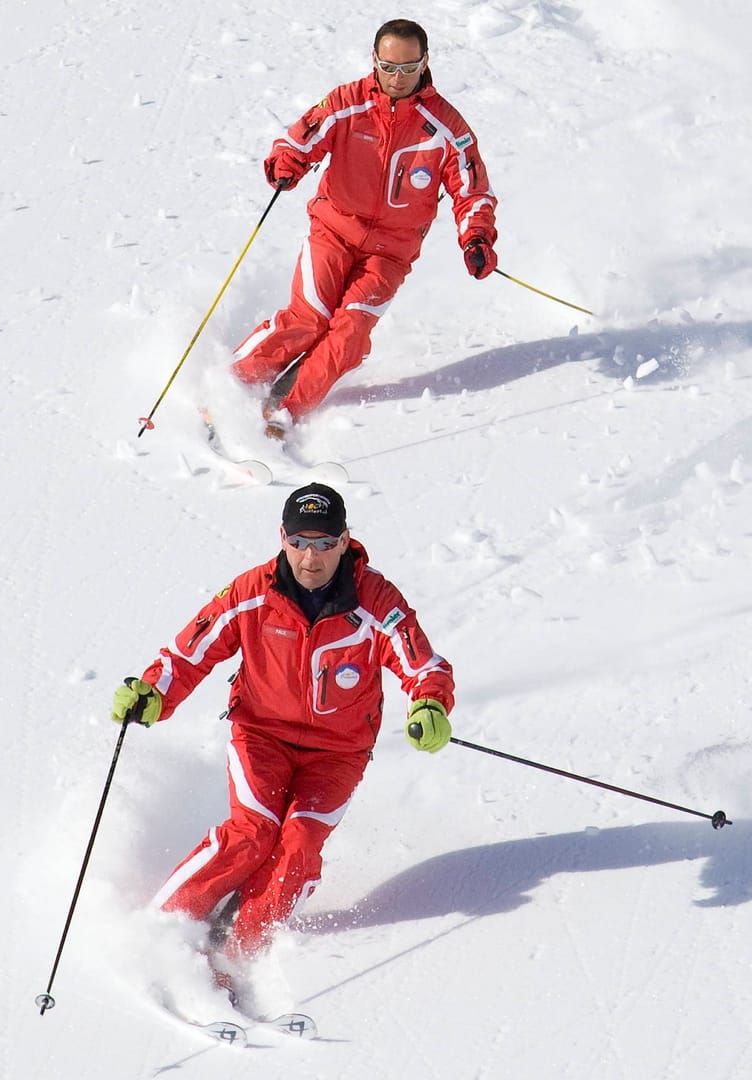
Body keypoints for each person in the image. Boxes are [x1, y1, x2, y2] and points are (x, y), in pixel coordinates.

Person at [111, 482, 456, 966]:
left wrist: (429, 705)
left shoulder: (375, 600)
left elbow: (423, 665)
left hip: (338, 753)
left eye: (322, 544)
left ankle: (237, 957)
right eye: (298, 543)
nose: (309, 558)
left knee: (298, 848)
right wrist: (153, 691)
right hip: (261, 736)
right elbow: (189, 652)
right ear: (282, 538)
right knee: (252, 834)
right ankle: (160, 931)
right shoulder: (252, 592)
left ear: (344, 541)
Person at [230, 18, 500, 438]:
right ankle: (233, 383)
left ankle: (284, 413)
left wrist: (476, 237)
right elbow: (300, 138)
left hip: (390, 252)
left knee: (350, 333)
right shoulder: (346, 102)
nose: (397, 78)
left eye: (408, 68)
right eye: (388, 67)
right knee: (310, 318)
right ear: (374, 60)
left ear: (424, 63)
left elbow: (472, 190)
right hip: (333, 231)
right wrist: (288, 163)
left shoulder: (447, 128)